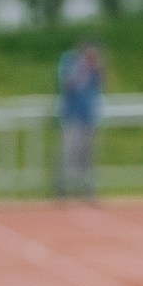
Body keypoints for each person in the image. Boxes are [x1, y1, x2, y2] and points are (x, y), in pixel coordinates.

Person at [55, 41, 105, 201]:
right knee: (68, 152)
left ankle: (87, 187)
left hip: (88, 116)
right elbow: (67, 84)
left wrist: (97, 70)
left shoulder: (95, 69)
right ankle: (62, 187)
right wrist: (82, 70)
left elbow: (101, 87)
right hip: (71, 115)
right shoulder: (71, 62)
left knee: (87, 154)